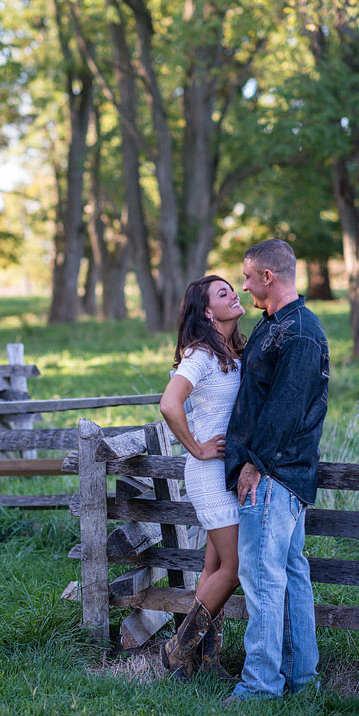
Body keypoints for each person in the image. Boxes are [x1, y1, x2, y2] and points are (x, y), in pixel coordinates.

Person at [223, 239, 330, 703]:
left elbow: (284, 411)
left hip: (274, 476)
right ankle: (302, 681)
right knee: (288, 574)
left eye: (247, 277)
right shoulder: (274, 326)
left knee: (264, 580)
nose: (243, 286)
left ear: (268, 276)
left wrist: (254, 465)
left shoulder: (300, 332)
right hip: (276, 475)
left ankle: (261, 686)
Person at [159, 275, 245, 681]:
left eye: (234, 288)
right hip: (209, 473)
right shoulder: (200, 356)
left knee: (214, 572)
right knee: (234, 567)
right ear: (208, 312)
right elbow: (169, 403)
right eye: (224, 293)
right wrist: (195, 446)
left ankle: (204, 663)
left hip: (227, 472)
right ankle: (176, 650)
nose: (235, 295)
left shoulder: (233, 350)